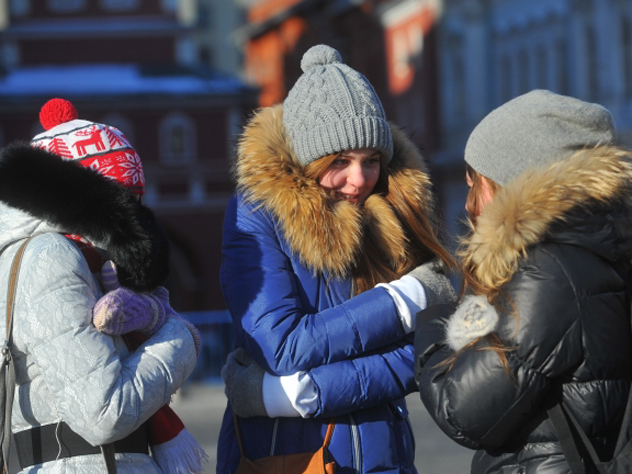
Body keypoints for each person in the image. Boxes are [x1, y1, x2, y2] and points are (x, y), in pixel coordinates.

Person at [217, 44, 456, 473]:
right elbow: (284, 347)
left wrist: (292, 395)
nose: (359, 179)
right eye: (340, 161)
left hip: (386, 459)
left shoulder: (393, 212)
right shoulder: (258, 213)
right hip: (286, 457)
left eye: (371, 161)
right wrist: (404, 300)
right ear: (308, 160)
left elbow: (427, 354)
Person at [414, 89, 632, 474]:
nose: (469, 202)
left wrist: (433, 320)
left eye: (473, 180)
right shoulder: (596, 242)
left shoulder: (548, 269)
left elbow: (462, 411)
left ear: (505, 182)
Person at [0, 98, 199, 472]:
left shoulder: (57, 257)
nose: (134, 218)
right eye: (127, 202)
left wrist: (151, 312)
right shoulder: (51, 257)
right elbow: (104, 412)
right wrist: (180, 338)